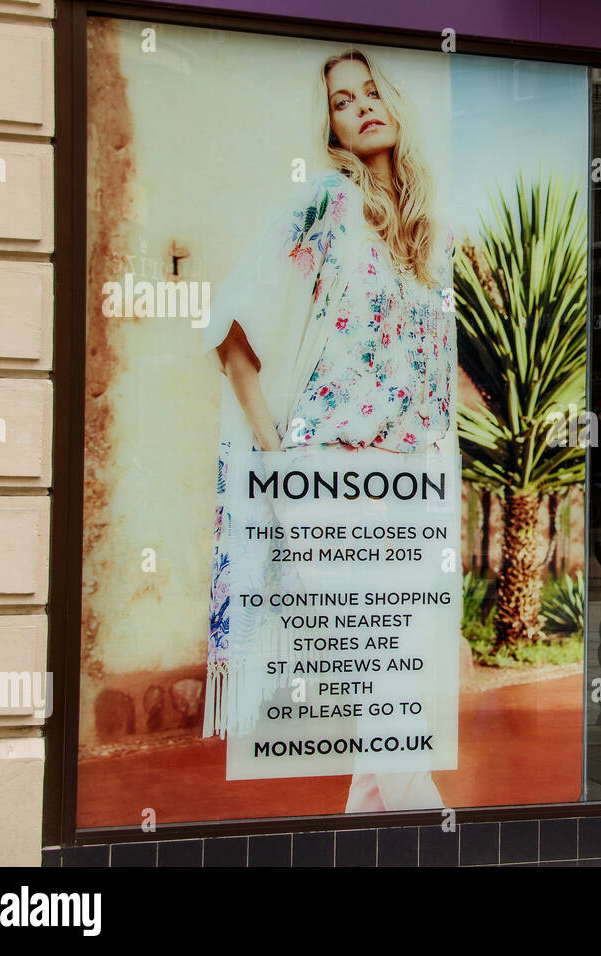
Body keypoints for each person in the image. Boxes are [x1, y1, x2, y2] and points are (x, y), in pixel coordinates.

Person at [204, 48, 454, 812]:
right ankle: (448, 839)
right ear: (335, 130)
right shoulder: (326, 204)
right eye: (345, 102)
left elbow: (432, 388)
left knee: (392, 706)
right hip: (330, 476)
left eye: (373, 92)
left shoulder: (422, 246)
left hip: (407, 486)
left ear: (397, 107)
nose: (362, 106)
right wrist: (279, 469)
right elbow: (232, 332)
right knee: (392, 702)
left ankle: (372, 838)